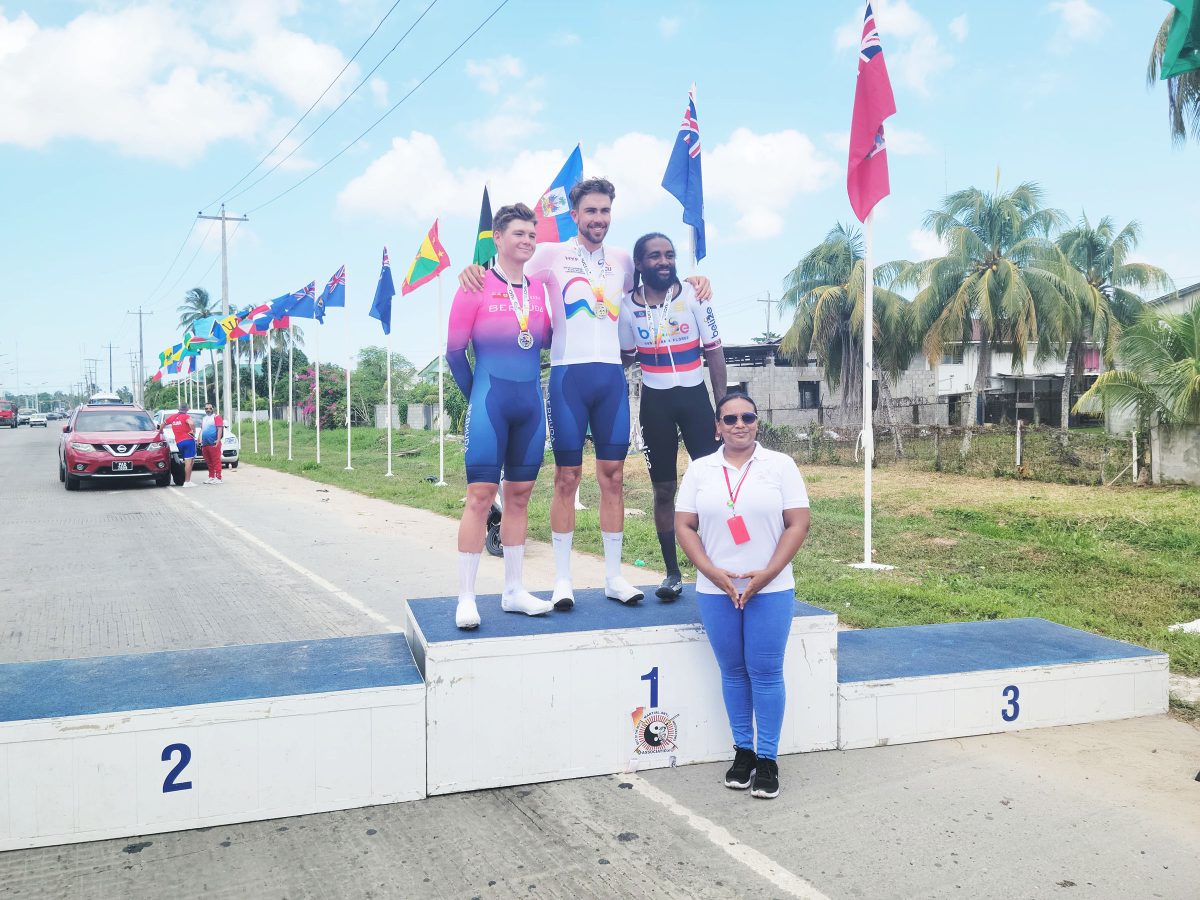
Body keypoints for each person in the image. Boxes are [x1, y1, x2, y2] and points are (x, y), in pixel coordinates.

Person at [459, 177, 711, 610]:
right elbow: (506, 269)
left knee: (613, 479)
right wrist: (474, 269)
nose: (599, 219)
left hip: (611, 379)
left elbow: (657, 280)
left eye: (605, 211)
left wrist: (695, 280)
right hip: (566, 378)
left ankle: (614, 576)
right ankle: (562, 579)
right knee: (566, 477)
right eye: (590, 211)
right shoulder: (550, 254)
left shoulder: (621, 260)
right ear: (573, 215)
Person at [674, 392, 811, 800]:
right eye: (729, 418)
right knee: (733, 672)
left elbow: (798, 523)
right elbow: (684, 526)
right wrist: (711, 573)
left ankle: (767, 759)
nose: (739, 424)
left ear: (757, 422)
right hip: (717, 589)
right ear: (717, 426)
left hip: (771, 588)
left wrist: (766, 575)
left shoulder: (780, 466)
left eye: (747, 417)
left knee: (766, 672)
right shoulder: (700, 470)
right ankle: (744, 752)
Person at [447, 203, 555, 629]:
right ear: (498, 239)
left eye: (532, 235)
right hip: (489, 402)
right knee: (479, 498)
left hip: (530, 405)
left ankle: (513, 591)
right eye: (519, 234)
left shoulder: (538, 291)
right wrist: (475, 396)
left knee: (520, 496)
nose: (527, 241)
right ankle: (466, 597)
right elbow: (455, 352)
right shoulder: (474, 285)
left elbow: (544, 339)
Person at [620, 233, 726, 600]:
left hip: (695, 400)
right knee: (664, 490)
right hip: (655, 405)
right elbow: (624, 358)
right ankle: (671, 573)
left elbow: (714, 352)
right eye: (654, 256)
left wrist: (723, 409)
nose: (664, 261)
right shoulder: (627, 307)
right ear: (639, 264)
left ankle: (718, 567)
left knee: (714, 485)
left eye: (669, 254)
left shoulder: (694, 295)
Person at [163, 404, 198, 488]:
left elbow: (163, 424)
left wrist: (159, 431)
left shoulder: (173, 417)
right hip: (188, 441)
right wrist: (193, 431)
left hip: (179, 442)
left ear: (178, 409)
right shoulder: (186, 416)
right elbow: (192, 423)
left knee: (186, 461)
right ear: (187, 409)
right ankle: (187, 481)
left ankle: (187, 480)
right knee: (189, 462)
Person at [200, 403, 224, 484]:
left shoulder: (216, 417)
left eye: (210, 408)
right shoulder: (204, 418)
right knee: (208, 461)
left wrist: (218, 440)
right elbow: (202, 430)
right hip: (205, 443)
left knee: (216, 460)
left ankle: (218, 477)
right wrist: (199, 440)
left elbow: (219, 429)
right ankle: (211, 477)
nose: (208, 410)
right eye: (206, 408)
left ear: (213, 409)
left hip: (213, 442)